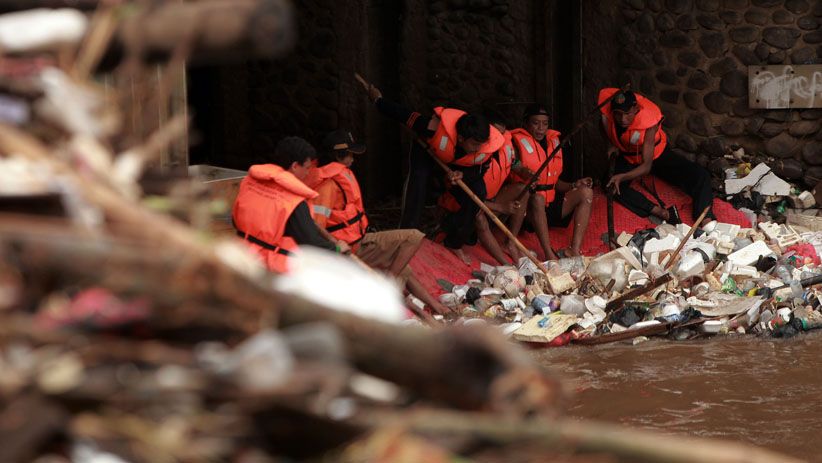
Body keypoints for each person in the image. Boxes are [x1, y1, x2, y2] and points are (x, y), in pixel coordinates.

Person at [306, 129, 451, 315]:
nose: (353, 159)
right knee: (413, 237)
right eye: (350, 154)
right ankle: (389, 287)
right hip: (348, 249)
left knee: (403, 269)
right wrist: (336, 247)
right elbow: (316, 224)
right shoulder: (328, 184)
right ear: (338, 155)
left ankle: (434, 308)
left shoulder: (338, 176)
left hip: (359, 240)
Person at [362, 83, 505, 265]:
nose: (480, 148)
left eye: (481, 144)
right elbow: (403, 114)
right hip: (429, 152)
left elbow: (480, 169)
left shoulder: (486, 146)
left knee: (478, 193)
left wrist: (463, 175)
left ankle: (454, 242)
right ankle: (406, 236)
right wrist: (378, 100)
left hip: (463, 167)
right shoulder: (433, 127)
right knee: (418, 183)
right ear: (461, 138)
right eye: (475, 144)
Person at [232, 136, 350, 273]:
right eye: (307, 167)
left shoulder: (250, 182)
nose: (308, 173)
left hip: (242, 257)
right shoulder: (294, 201)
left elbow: (235, 221)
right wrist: (336, 248)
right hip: (273, 269)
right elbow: (310, 243)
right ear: (294, 166)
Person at [599, 88, 715, 224]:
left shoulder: (649, 122)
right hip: (628, 156)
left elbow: (646, 166)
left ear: (635, 108)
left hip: (656, 156)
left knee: (700, 175)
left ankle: (705, 218)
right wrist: (611, 144)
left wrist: (622, 177)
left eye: (627, 114)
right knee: (609, 185)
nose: (622, 119)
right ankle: (660, 212)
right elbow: (602, 125)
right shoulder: (609, 115)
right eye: (618, 114)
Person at [507, 104, 594, 260]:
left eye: (545, 124)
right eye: (535, 123)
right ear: (526, 123)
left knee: (586, 192)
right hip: (527, 210)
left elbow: (555, 184)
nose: (541, 128)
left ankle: (574, 249)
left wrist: (574, 185)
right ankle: (548, 253)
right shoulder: (515, 144)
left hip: (551, 207)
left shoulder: (553, 142)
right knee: (538, 198)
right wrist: (526, 174)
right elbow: (514, 168)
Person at [438, 109, 524, 265]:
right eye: (496, 135)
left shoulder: (503, 146)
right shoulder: (472, 158)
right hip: (466, 207)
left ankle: (511, 243)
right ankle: (506, 265)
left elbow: (514, 163)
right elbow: (471, 198)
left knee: (521, 189)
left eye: (502, 135)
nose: (500, 140)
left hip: (490, 201)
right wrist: (501, 207)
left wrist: (527, 172)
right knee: (479, 217)